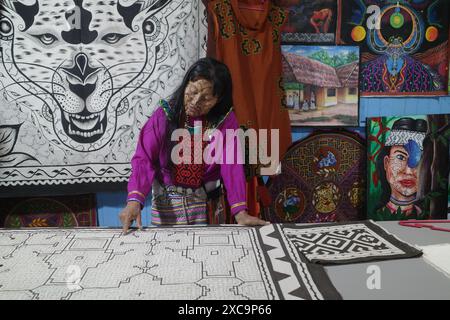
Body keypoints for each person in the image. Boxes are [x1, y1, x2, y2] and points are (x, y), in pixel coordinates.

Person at [119, 58, 269, 233]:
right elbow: (144, 158)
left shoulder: (225, 121)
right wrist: (134, 201)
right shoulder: (164, 115)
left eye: (206, 98)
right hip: (167, 199)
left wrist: (240, 212)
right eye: (192, 91)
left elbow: (232, 164)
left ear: (218, 99)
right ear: (186, 83)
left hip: (205, 197)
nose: (195, 102)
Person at [375, 118, 429, 220]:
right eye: (400, 157)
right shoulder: (374, 214)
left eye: (419, 161)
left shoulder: (428, 215)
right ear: (386, 163)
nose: (408, 171)